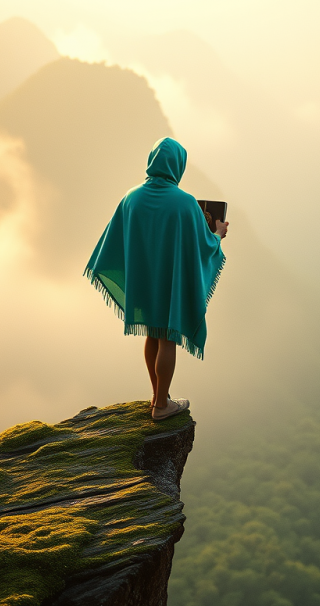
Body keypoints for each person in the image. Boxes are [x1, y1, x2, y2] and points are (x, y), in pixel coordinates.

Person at [84, 137, 228, 420]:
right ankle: (162, 405)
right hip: (169, 280)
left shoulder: (131, 197)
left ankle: (157, 395)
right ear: (177, 165)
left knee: (152, 333)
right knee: (167, 339)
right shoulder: (185, 203)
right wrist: (218, 234)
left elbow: (115, 238)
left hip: (142, 279)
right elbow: (204, 245)